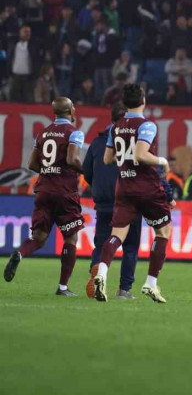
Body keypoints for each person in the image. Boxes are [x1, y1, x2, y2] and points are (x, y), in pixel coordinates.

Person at [91, 84, 176, 303]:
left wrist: (124, 157)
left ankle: (101, 274)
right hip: (146, 186)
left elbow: (107, 160)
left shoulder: (115, 127)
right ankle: (151, 283)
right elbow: (141, 154)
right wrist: (162, 161)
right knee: (163, 231)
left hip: (124, 186)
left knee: (116, 235)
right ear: (143, 101)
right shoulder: (147, 125)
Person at [3, 98, 84, 296]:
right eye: (73, 106)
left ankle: (19, 253)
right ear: (70, 110)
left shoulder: (43, 133)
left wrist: (49, 171)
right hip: (65, 192)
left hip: (44, 190)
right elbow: (72, 159)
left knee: (38, 238)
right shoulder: (75, 133)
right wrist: (88, 171)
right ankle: (63, 287)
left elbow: (31, 164)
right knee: (71, 238)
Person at [83, 103, 143, 299]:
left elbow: (87, 172)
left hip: (104, 202)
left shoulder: (97, 143)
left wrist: (99, 187)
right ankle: (123, 290)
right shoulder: (137, 141)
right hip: (129, 201)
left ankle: (96, 269)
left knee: (102, 243)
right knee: (130, 247)